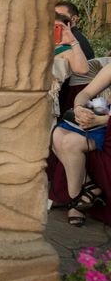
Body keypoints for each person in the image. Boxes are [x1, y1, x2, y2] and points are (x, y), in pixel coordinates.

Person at [51, 64, 111, 226]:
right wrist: (78, 108)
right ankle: (86, 191)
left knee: (69, 142)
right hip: (98, 119)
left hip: (107, 126)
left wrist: (103, 120)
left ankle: (76, 201)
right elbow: (85, 93)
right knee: (57, 134)